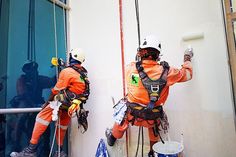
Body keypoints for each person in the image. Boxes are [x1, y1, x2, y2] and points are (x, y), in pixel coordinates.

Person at [105, 35, 193, 157]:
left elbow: (134, 83)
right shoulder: (168, 72)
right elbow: (187, 74)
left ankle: (112, 137)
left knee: (123, 112)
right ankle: (153, 151)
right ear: (158, 55)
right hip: (152, 117)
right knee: (154, 124)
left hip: (133, 115)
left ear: (141, 52)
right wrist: (187, 57)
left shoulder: (131, 68)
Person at [10, 48, 90, 157]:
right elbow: (23, 94)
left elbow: (54, 87)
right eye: (29, 68)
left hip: (62, 102)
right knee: (61, 125)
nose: (31, 70)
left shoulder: (66, 72)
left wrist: (47, 103)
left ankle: (31, 150)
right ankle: (59, 151)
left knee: (41, 118)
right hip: (72, 105)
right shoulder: (81, 73)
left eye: (33, 68)